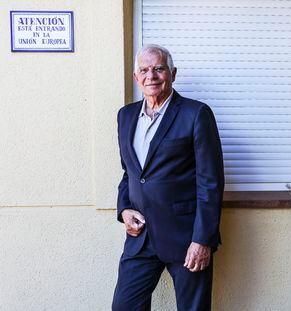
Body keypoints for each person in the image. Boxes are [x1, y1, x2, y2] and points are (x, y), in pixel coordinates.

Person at [112, 44, 224, 311]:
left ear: (172, 73)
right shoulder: (125, 116)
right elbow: (130, 173)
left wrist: (202, 240)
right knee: (124, 306)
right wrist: (124, 208)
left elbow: (210, 182)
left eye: (159, 68)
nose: (151, 75)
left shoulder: (196, 114)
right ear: (136, 77)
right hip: (140, 238)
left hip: (186, 237)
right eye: (144, 70)